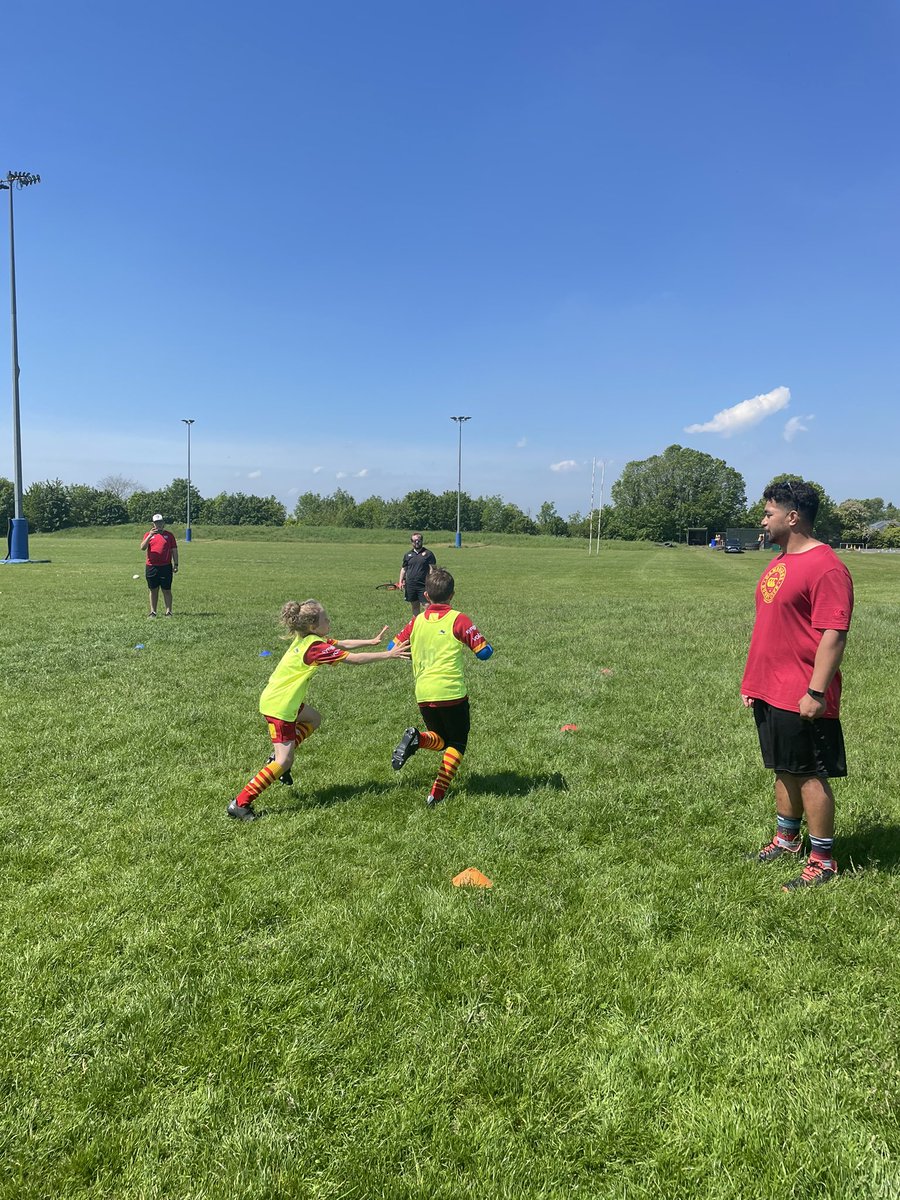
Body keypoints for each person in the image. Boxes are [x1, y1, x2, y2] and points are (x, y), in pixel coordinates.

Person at [740, 480, 854, 891]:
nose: (763, 520)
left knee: (809, 774)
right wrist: (754, 680)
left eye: (769, 513)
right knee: (783, 768)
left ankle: (823, 861)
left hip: (803, 692)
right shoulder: (779, 561)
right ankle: (787, 840)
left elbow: (833, 634)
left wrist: (816, 692)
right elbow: (771, 627)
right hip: (769, 688)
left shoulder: (826, 567)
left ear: (793, 517)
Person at [228, 600, 410, 821]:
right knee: (284, 761)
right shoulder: (315, 647)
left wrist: (371, 642)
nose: (329, 621)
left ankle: (275, 760)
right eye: (326, 619)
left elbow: (343, 644)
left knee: (314, 719)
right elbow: (351, 659)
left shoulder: (309, 638)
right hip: (281, 706)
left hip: (281, 699)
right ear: (313, 626)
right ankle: (240, 803)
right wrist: (388, 654)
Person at [390, 566, 493, 807]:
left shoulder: (415, 622)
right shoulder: (458, 618)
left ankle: (417, 738)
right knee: (456, 743)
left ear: (426, 596)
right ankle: (437, 792)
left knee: (440, 739)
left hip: (423, 692)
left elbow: (391, 646)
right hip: (451, 692)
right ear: (452, 595)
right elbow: (484, 653)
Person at [140, 514, 178, 617]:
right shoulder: (148, 534)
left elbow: (174, 550)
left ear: (163, 523)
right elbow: (142, 548)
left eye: (160, 522)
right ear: (153, 524)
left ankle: (168, 611)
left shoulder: (169, 535)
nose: (159, 524)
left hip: (166, 566)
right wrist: (149, 536)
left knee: (166, 589)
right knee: (153, 589)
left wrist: (176, 564)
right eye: (157, 523)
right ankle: (153, 612)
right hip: (151, 566)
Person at [398, 532, 436, 618]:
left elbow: (432, 569)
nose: (416, 542)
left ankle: (429, 624)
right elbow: (404, 569)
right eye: (414, 541)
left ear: (422, 541)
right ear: (411, 542)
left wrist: (431, 581)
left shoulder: (428, 554)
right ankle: (416, 625)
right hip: (411, 584)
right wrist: (400, 581)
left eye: (418, 540)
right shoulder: (408, 555)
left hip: (423, 585)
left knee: (427, 606)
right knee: (415, 606)